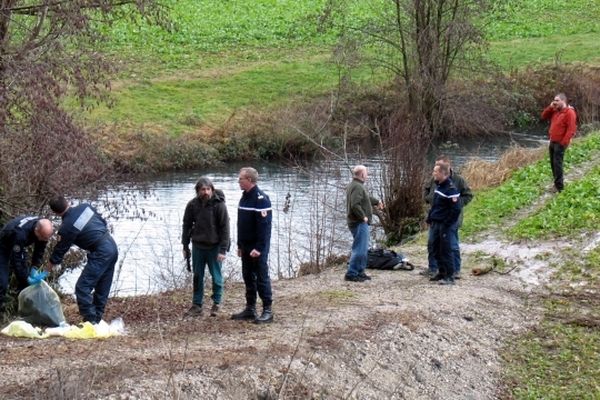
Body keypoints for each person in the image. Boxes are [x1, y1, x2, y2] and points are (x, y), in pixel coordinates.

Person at [46, 196, 118, 324]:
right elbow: (102, 221)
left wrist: (46, 270)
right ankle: (97, 319)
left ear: (55, 213)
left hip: (100, 252)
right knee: (102, 286)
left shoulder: (66, 227)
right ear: (67, 202)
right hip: (111, 245)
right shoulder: (86, 207)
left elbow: (59, 251)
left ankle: (91, 321)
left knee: (82, 287)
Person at [182, 177, 230, 318]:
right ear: (198, 191)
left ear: (212, 190)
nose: (206, 192)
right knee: (197, 276)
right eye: (203, 189)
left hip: (215, 247)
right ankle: (197, 305)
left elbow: (225, 229)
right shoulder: (192, 205)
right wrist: (185, 246)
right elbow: (186, 225)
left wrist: (223, 250)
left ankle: (217, 303)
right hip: (198, 246)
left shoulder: (219, 205)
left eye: (208, 189)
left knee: (216, 277)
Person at [231, 167, 274, 324]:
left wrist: (259, 248)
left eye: (241, 179)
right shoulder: (244, 198)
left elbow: (265, 228)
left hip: (258, 248)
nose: (238, 181)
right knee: (248, 277)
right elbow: (241, 225)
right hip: (246, 246)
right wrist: (240, 245)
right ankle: (250, 308)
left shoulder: (261, 199)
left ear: (249, 180)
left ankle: (267, 310)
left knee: (261, 277)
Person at [423, 156, 473, 278]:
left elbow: (468, 195)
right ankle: (434, 268)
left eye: (438, 167)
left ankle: (455, 270)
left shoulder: (457, 181)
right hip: (437, 217)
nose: (434, 171)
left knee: (451, 245)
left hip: (450, 219)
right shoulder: (436, 181)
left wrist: (455, 203)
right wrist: (429, 200)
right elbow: (427, 190)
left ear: (446, 167)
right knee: (433, 243)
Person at [0, 216, 53, 311]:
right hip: (4, 244)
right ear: (36, 231)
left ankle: (20, 303)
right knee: (2, 281)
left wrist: (35, 267)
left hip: (18, 244)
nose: (45, 240)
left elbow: (39, 250)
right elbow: (17, 261)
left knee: (25, 273)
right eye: (43, 238)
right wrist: (26, 278)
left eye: (47, 238)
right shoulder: (20, 235)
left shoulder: (42, 229)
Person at [426, 163, 462, 285]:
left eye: (435, 172)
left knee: (446, 250)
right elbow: (436, 205)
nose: (433, 174)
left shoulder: (451, 189)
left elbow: (456, 210)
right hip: (436, 223)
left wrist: (446, 224)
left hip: (444, 225)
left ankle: (450, 276)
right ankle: (441, 272)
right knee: (435, 248)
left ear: (442, 173)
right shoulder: (439, 186)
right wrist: (430, 218)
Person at [345, 165, 382, 282]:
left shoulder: (357, 185)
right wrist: (363, 217)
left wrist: (377, 202)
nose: (367, 175)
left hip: (358, 222)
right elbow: (355, 204)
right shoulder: (357, 187)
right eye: (366, 173)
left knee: (363, 248)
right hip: (358, 222)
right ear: (362, 175)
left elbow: (365, 198)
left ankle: (360, 271)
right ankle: (352, 273)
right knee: (360, 248)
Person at [541, 93, 577, 192]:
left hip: (560, 143)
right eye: (554, 100)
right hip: (552, 141)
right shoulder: (555, 110)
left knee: (557, 164)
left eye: (557, 100)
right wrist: (550, 107)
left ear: (563, 101)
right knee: (553, 164)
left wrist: (563, 143)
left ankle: (559, 187)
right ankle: (556, 184)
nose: (554, 102)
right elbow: (543, 116)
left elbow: (571, 129)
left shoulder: (570, 113)